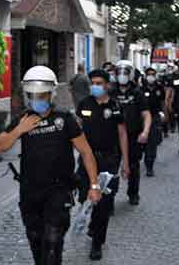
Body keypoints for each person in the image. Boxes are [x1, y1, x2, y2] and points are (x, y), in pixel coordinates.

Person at [0, 65, 102, 265]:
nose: (38, 100)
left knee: (53, 244)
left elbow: (86, 152)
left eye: (42, 95)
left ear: (50, 94)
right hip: (30, 191)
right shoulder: (23, 119)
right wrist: (19, 130)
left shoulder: (65, 119)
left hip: (59, 190)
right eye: (33, 95)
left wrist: (94, 185)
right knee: (36, 242)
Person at [76, 69, 130, 261]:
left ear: (107, 84)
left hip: (109, 159)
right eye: (93, 83)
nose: (95, 86)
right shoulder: (84, 104)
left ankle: (97, 243)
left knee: (104, 203)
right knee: (84, 195)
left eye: (99, 83)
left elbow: (123, 134)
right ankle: (92, 223)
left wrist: (126, 163)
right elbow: (77, 129)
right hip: (86, 159)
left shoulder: (115, 106)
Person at [109, 60, 152, 205]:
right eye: (119, 72)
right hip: (113, 137)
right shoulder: (110, 92)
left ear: (131, 74)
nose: (122, 75)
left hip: (133, 135)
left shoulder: (137, 93)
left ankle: (133, 193)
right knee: (111, 168)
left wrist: (145, 132)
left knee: (133, 166)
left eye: (125, 73)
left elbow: (146, 114)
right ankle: (109, 198)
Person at [141, 67, 165, 177]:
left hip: (155, 118)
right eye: (149, 74)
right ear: (146, 76)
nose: (151, 77)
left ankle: (149, 166)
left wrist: (164, 114)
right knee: (144, 143)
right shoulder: (141, 89)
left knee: (153, 143)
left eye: (152, 74)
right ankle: (145, 156)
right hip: (142, 119)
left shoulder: (159, 88)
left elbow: (162, 102)